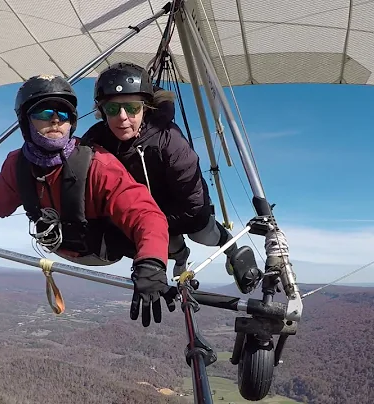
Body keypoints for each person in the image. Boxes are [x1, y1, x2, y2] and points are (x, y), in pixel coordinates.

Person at [0, 74, 176, 327]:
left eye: (63, 114)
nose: (55, 119)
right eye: (44, 112)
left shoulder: (98, 166)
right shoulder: (18, 165)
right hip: (56, 248)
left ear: (71, 122)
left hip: (98, 254)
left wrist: (151, 262)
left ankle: (178, 254)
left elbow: (145, 214)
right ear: (25, 121)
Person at [81, 62, 262, 295]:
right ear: (102, 111)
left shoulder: (170, 142)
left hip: (185, 209)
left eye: (132, 107)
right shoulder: (96, 142)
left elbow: (193, 206)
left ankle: (230, 248)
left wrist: (153, 224)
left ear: (145, 108)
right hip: (147, 209)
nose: (123, 117)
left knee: (203, 234)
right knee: (169, 245)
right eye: (113, 109)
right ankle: (180, 257)